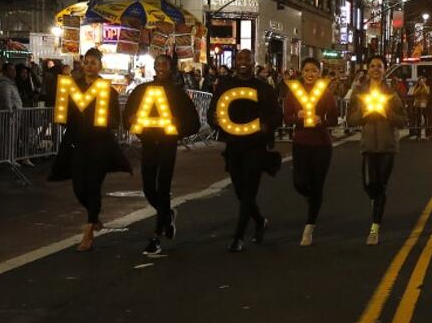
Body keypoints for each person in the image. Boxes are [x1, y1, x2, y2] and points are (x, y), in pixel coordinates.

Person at [49, 48, 132, 252]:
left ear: (100, 66)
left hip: (100, 146)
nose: (89, 66)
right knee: (79, 187)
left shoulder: (108, 91)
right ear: (82, 64)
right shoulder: (72, 88)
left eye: (93, 62)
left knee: (93, 185)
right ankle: (94, 217)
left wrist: (102, 119)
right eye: (87, 62)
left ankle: (88, 232)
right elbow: (65, 116)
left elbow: (115, 121)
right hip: (77, 144)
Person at [123, 54, 201, 256]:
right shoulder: (142, 90)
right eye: (157, 64)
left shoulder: (178, 93)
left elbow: (194, 123)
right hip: (148, 143)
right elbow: (127, 117)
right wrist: (133, 123)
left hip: (168, 144)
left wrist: (177, 127)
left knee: (163, 187)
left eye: (164, 64)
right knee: (149, 188)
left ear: (171, 67)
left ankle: (156, 237)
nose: (160, 67)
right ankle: (167, 215)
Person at [207, 49, 283, 252]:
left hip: (256, 146)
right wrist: (214, 121)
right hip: (233, 146)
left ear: (252, 62)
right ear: (235, 62)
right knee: (241, 192)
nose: (243, 62)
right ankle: (259, 220)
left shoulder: (263, 88)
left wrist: (268, 125)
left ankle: (238, 236)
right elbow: (212, 111)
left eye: (247, 59)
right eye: (240, 59)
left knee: (249, 191)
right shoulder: (225, 86)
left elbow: (277, 114)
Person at [347, 55, 407, 246]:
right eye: (372, 66)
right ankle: (377, 203)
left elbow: (403, 120)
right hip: (368, 145)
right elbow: (350, 119)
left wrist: (387, 114)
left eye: (379, 66)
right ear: (368, 69)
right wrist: (363, 114)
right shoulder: (359, 91)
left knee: (380, 184)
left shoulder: (391, 92)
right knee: (368, 184)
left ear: (384, 70)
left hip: (388, 145)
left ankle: (375, 226)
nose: (375, 69)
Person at [284, 57, 340, 247]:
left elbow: (334, 118)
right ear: (301, 72)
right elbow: (287, 118)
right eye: (307, 70)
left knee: (317, 185)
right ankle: (312, 199)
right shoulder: (293, 94)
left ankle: (310, 225)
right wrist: (296, 117)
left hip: (322, 144)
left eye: (314, 71)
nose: (310, 74)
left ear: (319, 73)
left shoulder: (325, 94)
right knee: (299, 183)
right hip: (300, 142)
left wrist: (321, 120)